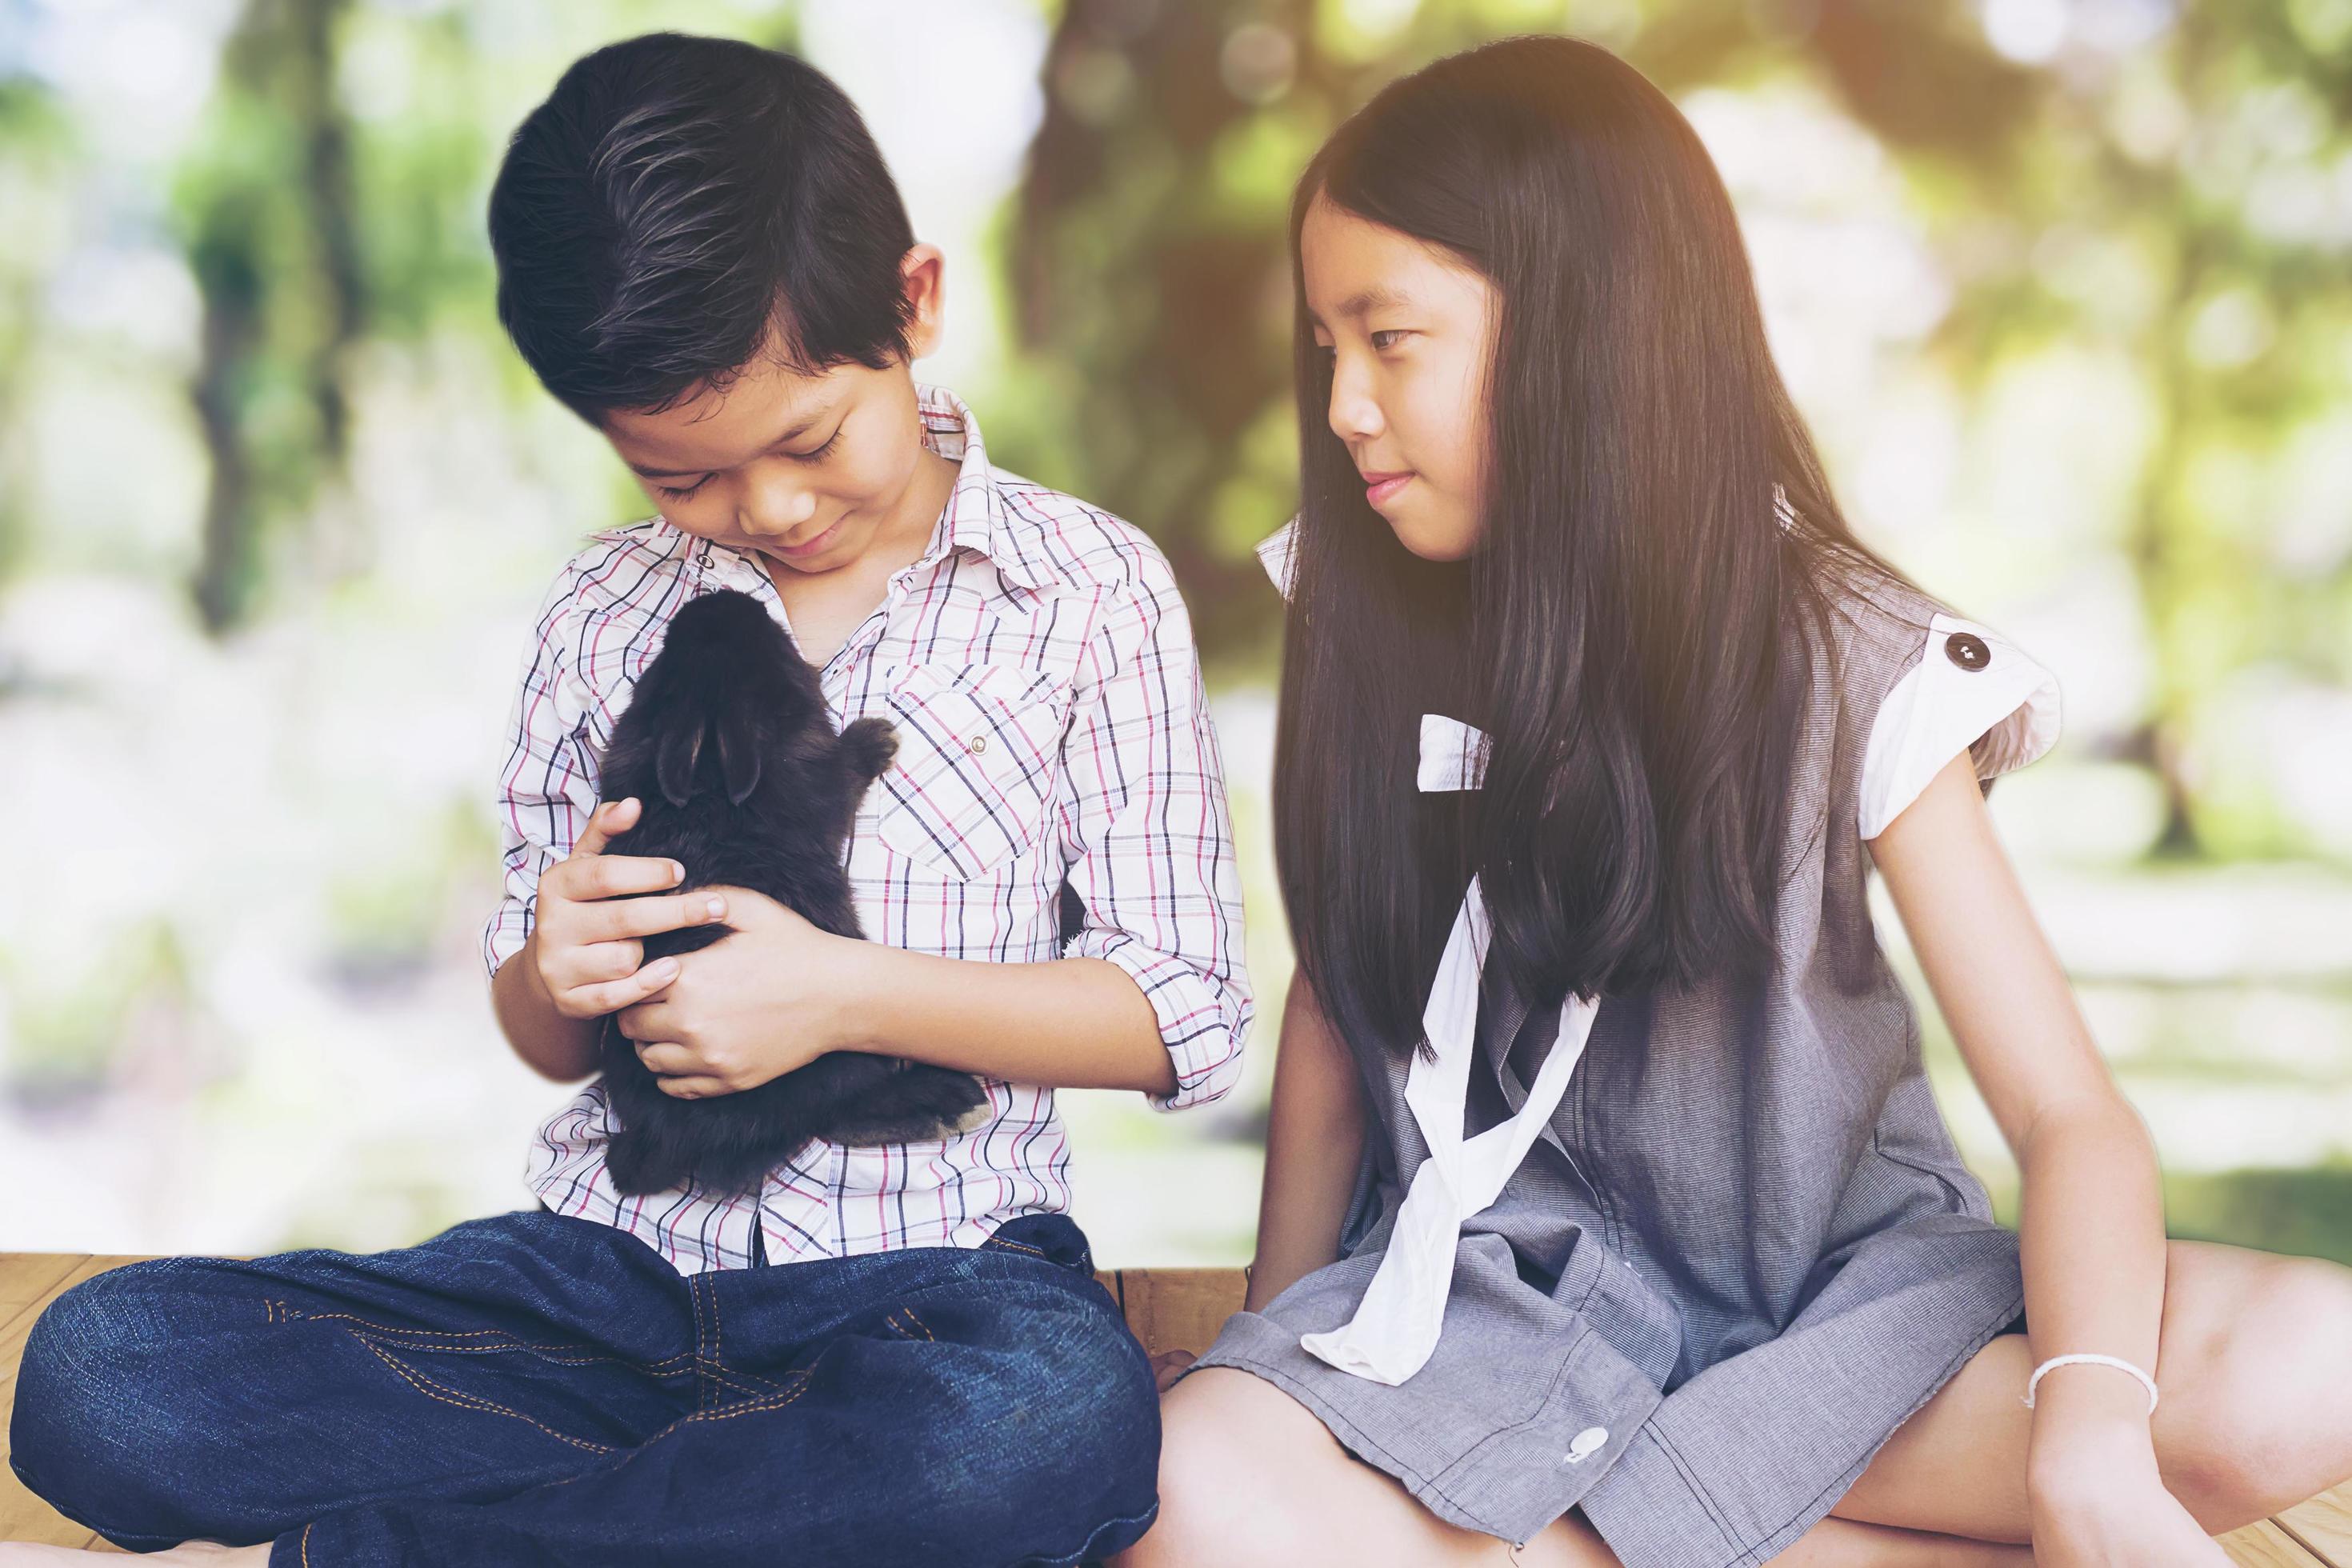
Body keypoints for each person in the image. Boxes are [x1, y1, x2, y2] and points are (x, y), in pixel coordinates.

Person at [6, 33, 1249, 1568]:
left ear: (914, 305)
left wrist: (843, 996)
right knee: (103, 1375)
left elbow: (1181, 1013)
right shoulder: (604, 612)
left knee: (1041, 1426)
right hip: (599, 1297)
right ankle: (722, 1515)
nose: (768, 513)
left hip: (935, 1289)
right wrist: (556, 965)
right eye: (686, 480)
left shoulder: (1087, 590)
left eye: (807, 442)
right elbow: (539, 1032)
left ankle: (438, 1549)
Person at [1123, 34, 2352, 1568]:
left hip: (1848, 1331)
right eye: (1326, 349)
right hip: (1499, 1324)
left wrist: (2090, 1455)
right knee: (1181, 1500)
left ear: (1587, 331)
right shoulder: (1359, 612)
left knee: (2313, 1362)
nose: (1347, 406)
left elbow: (2069, 1113)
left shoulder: (1853, 656)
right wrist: (1274, 1339)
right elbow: (1341, 998)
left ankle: (1590, 1534)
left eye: (1390, 339)